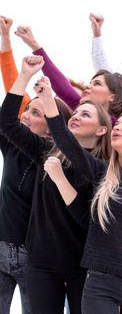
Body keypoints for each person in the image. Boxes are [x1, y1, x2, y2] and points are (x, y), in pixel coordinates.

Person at [37, 74, 122, 313]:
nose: (118, 127)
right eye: (117, 123)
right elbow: (66, 141)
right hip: (100, 283)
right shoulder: (101, 173)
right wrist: (49, 99)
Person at [0, 56, 110, 314]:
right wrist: (25, 75)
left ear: (103, 129)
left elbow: (87, 218)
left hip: (81, 264)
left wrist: (60, 179)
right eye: (78, 111)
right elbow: (6, 122)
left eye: (86, 114)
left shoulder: (105, 169)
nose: (78, 116)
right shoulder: (47, 151)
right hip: (40, 263)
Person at [14, 25, 122, 121]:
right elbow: (63, 88)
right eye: (90, 82)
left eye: (97, 84)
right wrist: (34, 45)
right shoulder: (86, 113)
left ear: (113, 96)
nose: (88, 86)